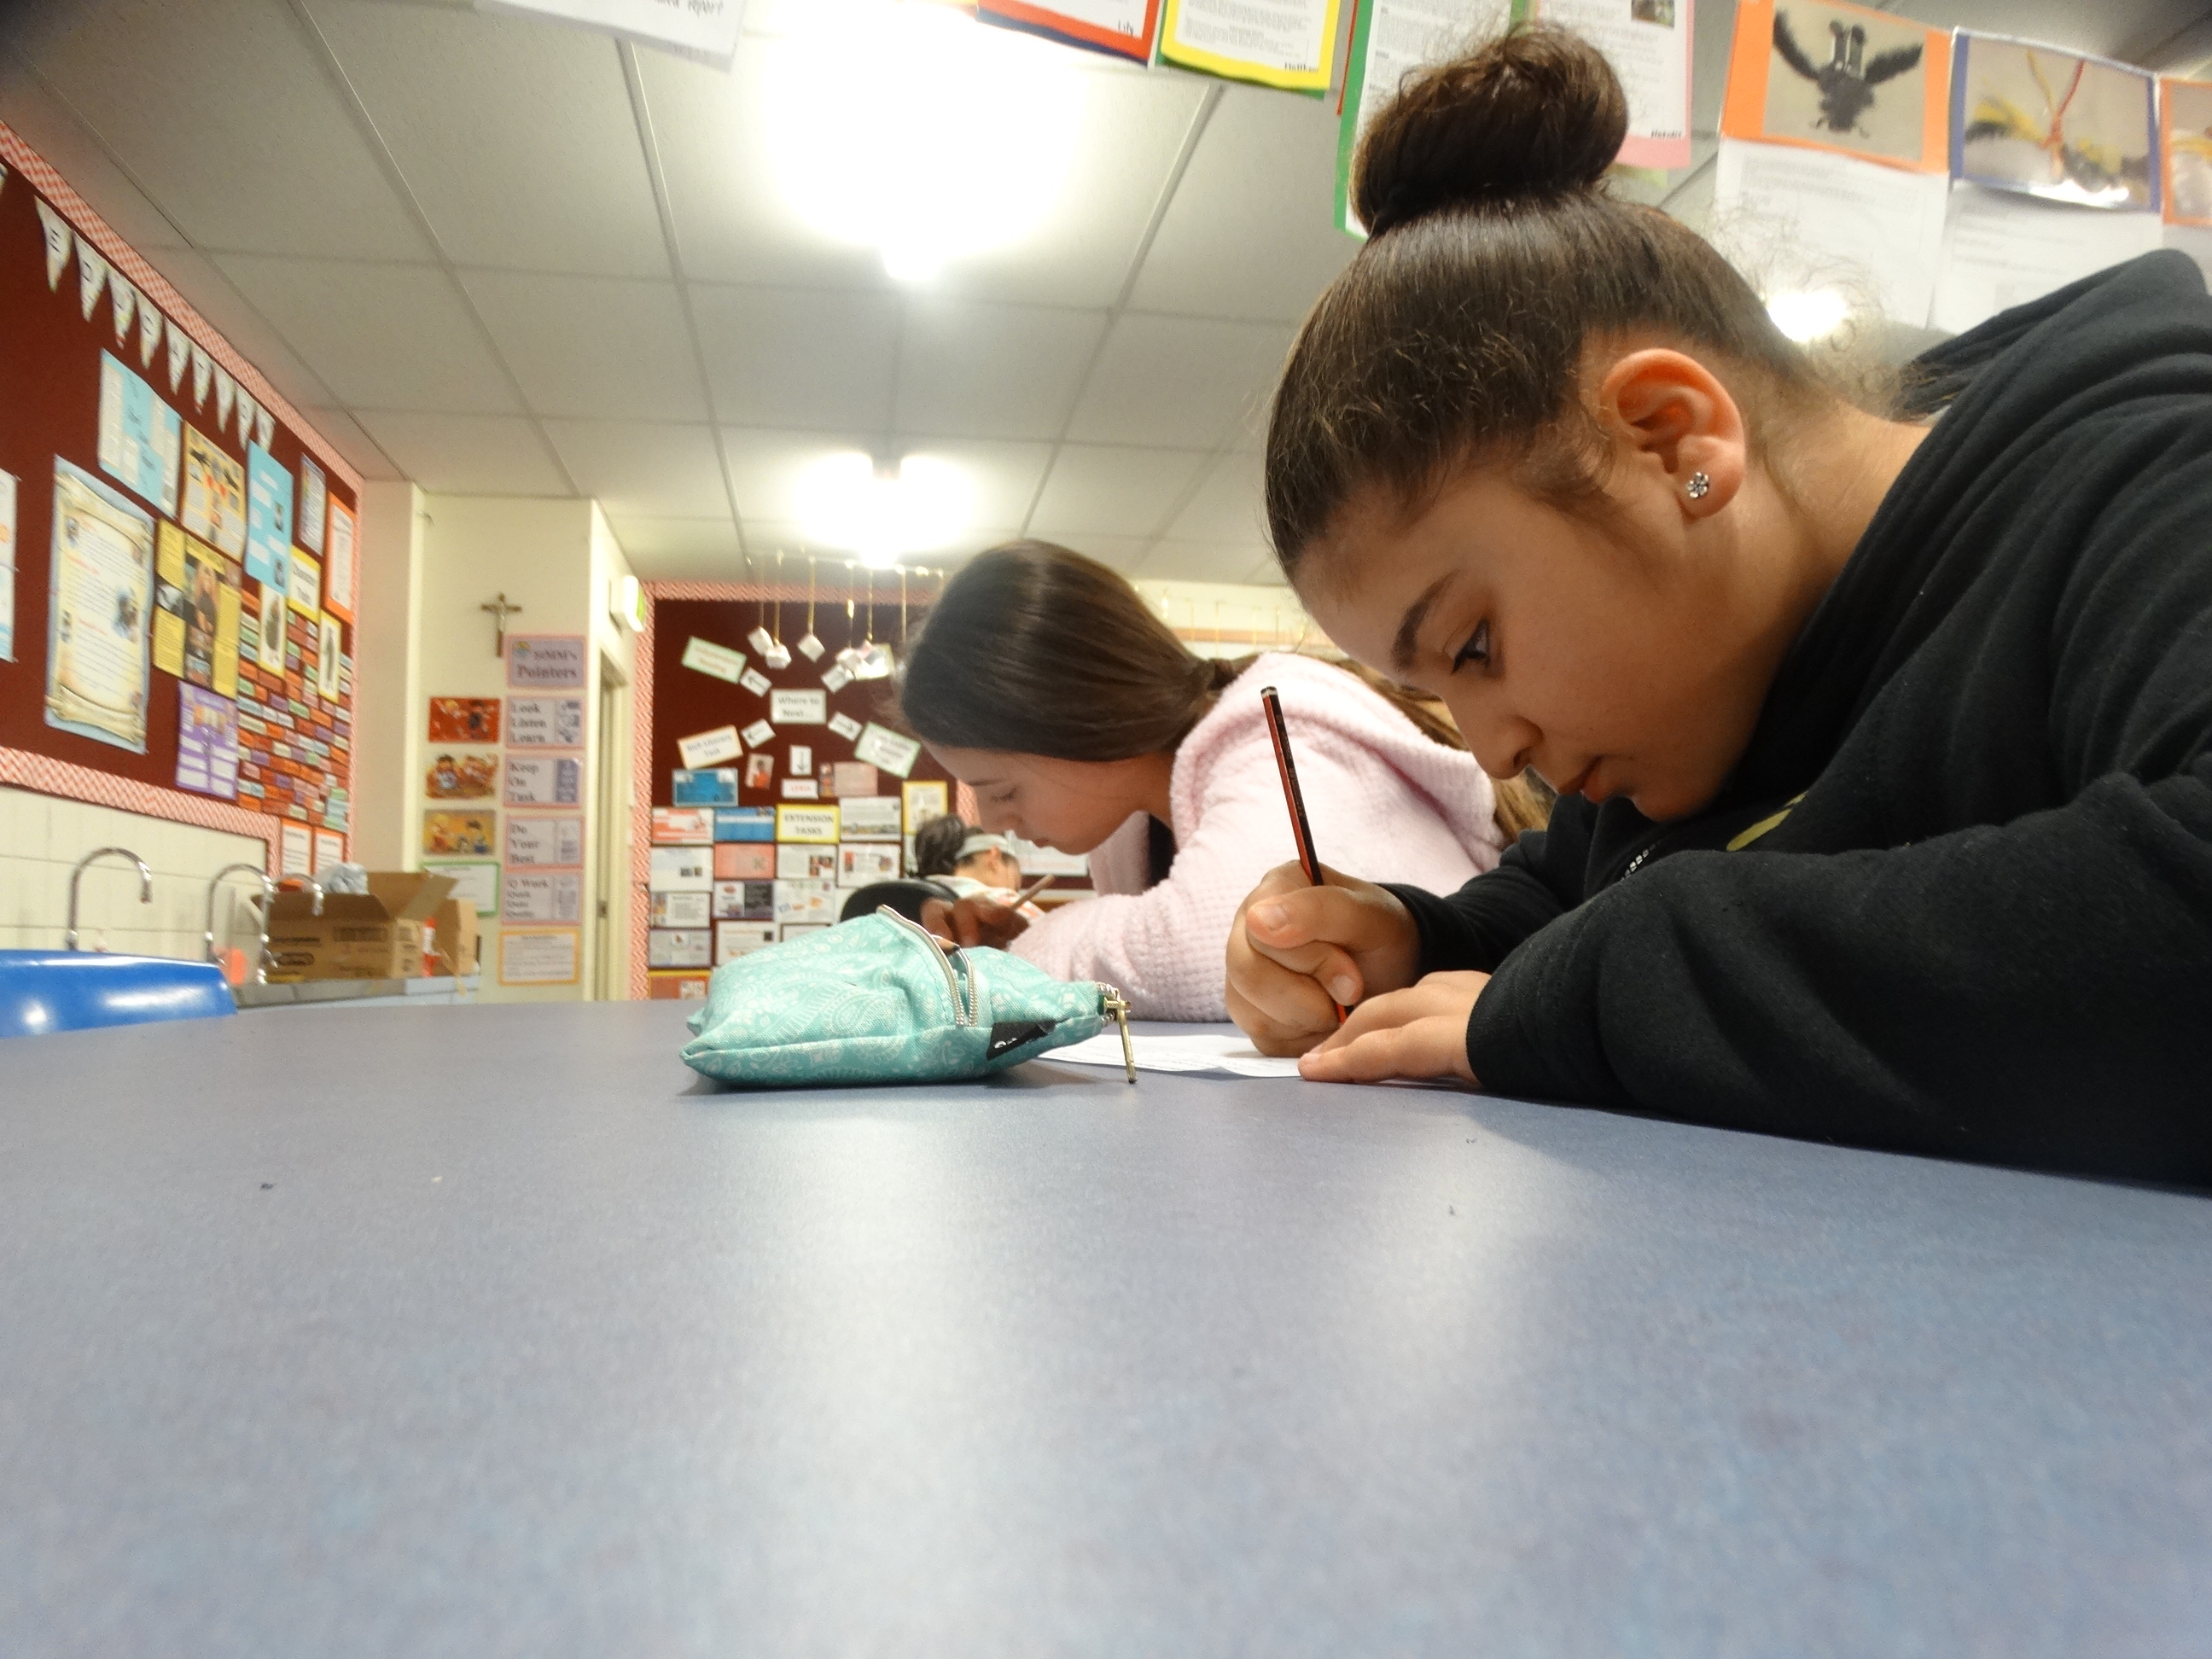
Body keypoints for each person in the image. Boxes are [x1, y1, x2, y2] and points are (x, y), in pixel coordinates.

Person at [1222, 26, 2212, 1181]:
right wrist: (1411, 943)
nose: (1494, 749)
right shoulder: (1691, 704)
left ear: (1671, 443)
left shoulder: (2149, 486)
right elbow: (1560, 903)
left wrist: (1609, 989)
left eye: (1474, 643)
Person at [893, 541, 1533, 1021]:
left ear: (1083, 720)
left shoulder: (1276, 728)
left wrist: (1013, 961)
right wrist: (1023, 934)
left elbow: (1213, 947)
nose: (994, 823)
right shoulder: (1132, 823)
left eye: (1002, 791)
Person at [910, 815, 1045, 918]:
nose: (1015, 890)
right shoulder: (1000, 902)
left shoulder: (909, 896)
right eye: (1014, 881)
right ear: (994, 857)